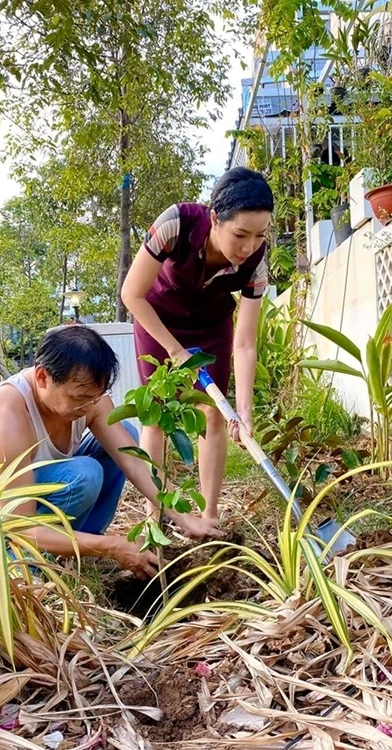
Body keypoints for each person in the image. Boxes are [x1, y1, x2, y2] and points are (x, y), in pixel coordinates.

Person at [0, 326, 220, 578]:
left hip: (31, 503)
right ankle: (32, 567)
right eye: (79, 398)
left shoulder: (91, 400)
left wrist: (184, 517)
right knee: (84, 474)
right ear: (43, 377)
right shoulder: (5, 415)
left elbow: (134, 463)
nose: (89, 406)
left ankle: (82, 547)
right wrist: (113, 547)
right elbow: (20, 526)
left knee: (125, 433)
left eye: (95, 397)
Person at [121, 166, 274, 524]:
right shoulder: (176, 224)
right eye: (240, 234)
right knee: (156, 416)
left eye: (259, 236)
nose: (248, 246)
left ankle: (209, 515)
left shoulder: (256, 263)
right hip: (157, 319)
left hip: (210, 327)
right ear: (215, 218)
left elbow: (246, 342)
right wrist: (174, 350)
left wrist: (245, 410)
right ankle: (154, 514)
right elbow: (131, 294)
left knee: (214, 414)